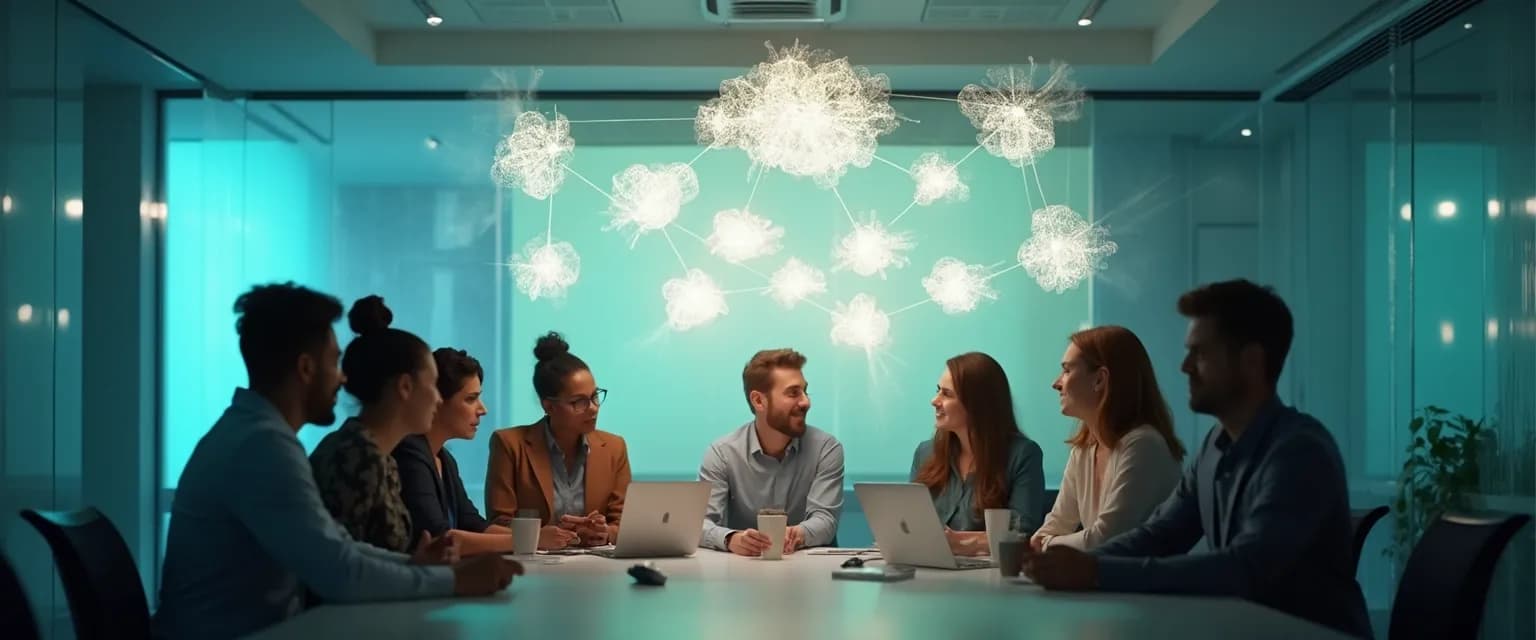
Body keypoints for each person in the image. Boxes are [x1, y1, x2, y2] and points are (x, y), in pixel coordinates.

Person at [154, 283, 520, 640]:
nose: (343, 378)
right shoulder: (262, 446)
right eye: (334, 361)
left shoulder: (257, 434)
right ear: (306, 368)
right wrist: (456, 580)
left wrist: (414, 566)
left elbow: (337, 548)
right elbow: (339, 571)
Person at [1024, 280, 1372, 639]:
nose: (1185, 367)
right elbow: (1160, 534)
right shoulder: (1215, 446)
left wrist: (1095, 571)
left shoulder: (1299, 452)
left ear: (1251, 362)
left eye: (1200, 354)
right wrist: (1081, 564)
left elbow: (1245, 567)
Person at [1030, 326, 1184, 551]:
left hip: (1144, 585)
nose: (1056, 383)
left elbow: (1106, 539)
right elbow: (1057, 523)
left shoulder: (1143, 444)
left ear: (1100, 380)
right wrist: (1044, 541)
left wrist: (1047, 545)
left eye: (1066, 371)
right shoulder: (1083, 450)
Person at [310, 295, 441, 553]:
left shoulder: (381, 457)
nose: (438, 398)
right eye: (433, 385)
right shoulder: (356, 455)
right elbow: (341, 566)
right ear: (405, 386)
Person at [486, 332, 631, 549]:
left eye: (595, 396)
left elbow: (623, 523)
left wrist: (604, 532)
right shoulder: (509, 444)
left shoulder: (613, 447)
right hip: (534, 565)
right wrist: (542, 536)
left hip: (596, 568)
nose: (593, 408)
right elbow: (498, 523)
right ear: (549, 406)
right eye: (578, 402)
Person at [700, 348, 844, 556]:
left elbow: (826, 520)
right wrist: (731, 539)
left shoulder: (826, 448)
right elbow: (701, 523)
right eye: (793, 393)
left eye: (805, 391)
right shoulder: (722, 453)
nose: (805, 402)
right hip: (743, 574)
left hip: (810, 574)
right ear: (759, 401)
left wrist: (797, 534)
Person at [910, 352, 1045, 556]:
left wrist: (965, 542)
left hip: (990, 577)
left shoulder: (1023, 454)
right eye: (938, 391)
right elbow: (910, 523)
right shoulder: (925, 452)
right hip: (927, 567)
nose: (934, 401)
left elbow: (1023, 533)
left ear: (976, 404)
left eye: (946, 394)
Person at [394, 348, 518, 556]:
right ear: (437, 401)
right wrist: (529, 541)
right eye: (471, 399)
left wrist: (538, 537)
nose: (483, 409)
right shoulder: (408, 453)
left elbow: (473, 523)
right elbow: (440, 538)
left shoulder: (444, 458)